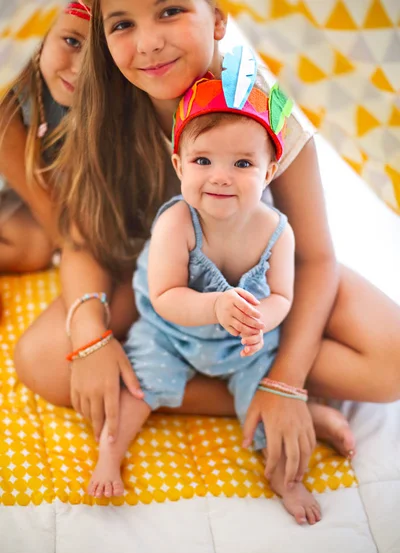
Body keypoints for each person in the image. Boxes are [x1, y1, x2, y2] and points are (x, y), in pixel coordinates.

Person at [14, 0, 400, 516]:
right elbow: (82, 238)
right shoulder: (105, 104)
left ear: (218, 17)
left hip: (256, 280)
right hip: (162, 281)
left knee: (391, 360)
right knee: (42, 360)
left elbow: (313, 256)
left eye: (169, 11)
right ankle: (252, 404)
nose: (148, 41)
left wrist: (285, 377)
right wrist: (89, 338)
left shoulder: (266, 105)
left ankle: (273, 393)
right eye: (123, 23)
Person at [85, 60, 321, 525]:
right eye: (202, 161)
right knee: (135, 386)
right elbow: (167, 295)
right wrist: (216, 304)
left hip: (244, 348)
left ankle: (287, 478)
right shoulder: (177, 223)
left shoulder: (278, 232)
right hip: (170, 333)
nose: (220, 176)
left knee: (267, 409)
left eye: (242, 163)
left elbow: (282, 297)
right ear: (178, 164)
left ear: (270, 170)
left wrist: (261, 321)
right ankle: (109, 455)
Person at [0, 1, 91, 275]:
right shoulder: (13, 66)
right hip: (20, 182)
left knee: (36, 246)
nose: (81, 70)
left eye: (102, 57)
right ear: (43, 36)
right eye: (72, 41)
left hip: (17, 196)